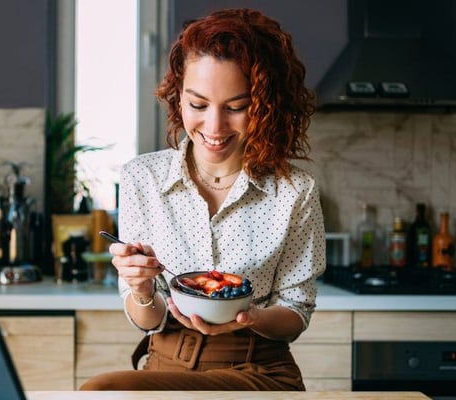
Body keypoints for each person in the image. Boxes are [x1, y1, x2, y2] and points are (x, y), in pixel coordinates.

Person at [80, 8, 325, 391]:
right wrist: (142, 289)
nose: (213, 127)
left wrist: (250, 318)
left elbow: (296, 311)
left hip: (257, 370)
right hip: (165, 364)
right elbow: (148, 320)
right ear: (178, 97)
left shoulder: (295, 190)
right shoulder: (141, 178)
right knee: (98, 392)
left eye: (236, 107)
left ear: (265, 106)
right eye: (198, 105)